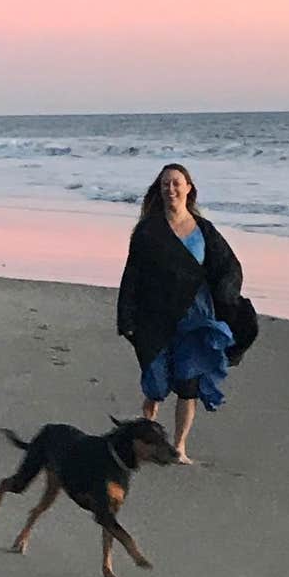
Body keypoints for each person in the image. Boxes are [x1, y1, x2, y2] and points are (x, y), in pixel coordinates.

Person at [114, 164, 255, 463]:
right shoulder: (147, 231)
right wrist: (125, 317)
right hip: (156, 316)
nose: (171, 189)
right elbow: (133, 275)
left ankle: (179, 447)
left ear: (189, 188)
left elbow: (229, 266)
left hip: (196, 317)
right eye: (165, 184)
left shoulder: (204, 230)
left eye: (177, 183)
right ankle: (148, 426)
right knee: (156, 381)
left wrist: (228, 297)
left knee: (188, 383)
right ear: (159, 190)